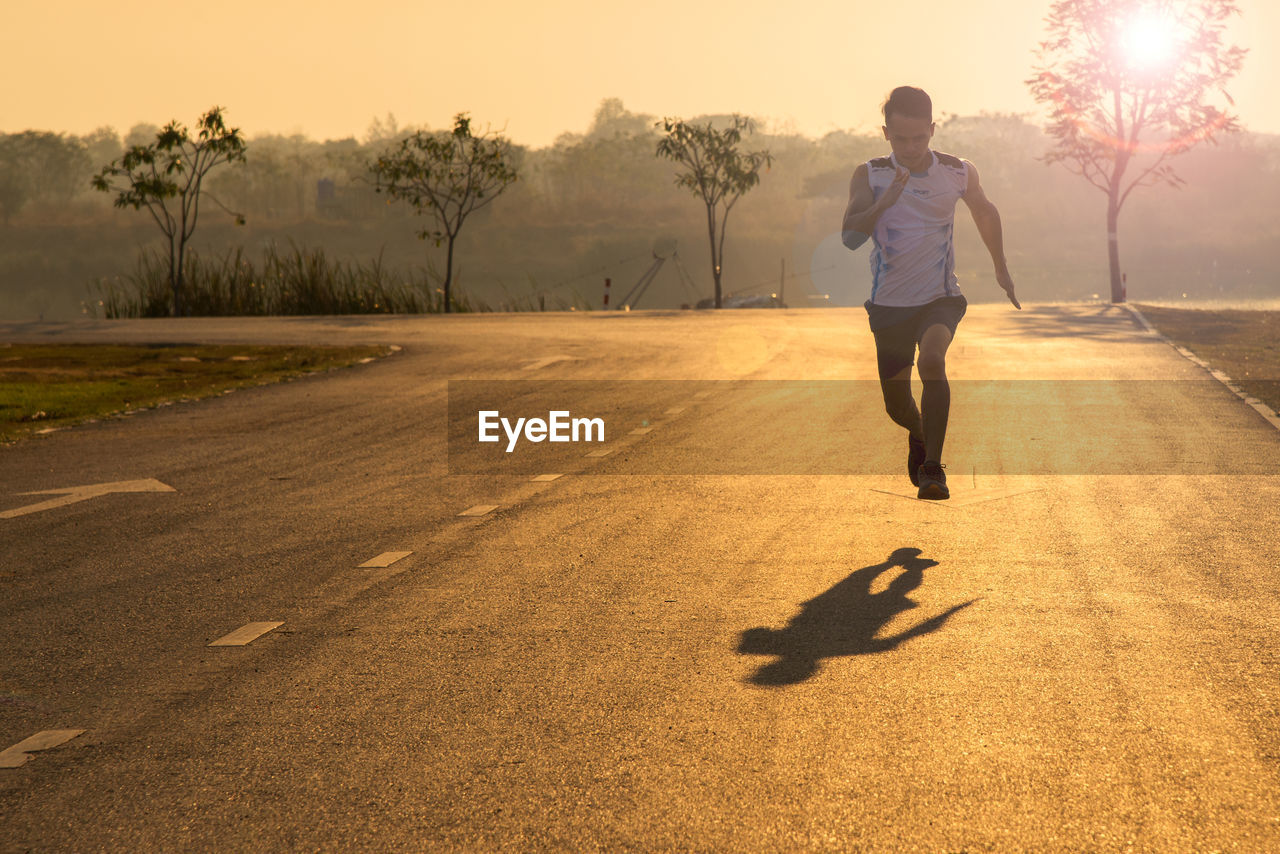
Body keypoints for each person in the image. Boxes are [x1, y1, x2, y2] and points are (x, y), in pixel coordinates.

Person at [842, 85, 1019, 500]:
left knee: (934, 360)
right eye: (900, 139)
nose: (910, 147)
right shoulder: (869, 173)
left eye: (919, 138)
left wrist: (1001, 266)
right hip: (889, 306)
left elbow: (984, 210)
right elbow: (851, 237)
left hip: (940, 298)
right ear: (885, 133)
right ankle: (919, 432)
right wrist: (884, 202)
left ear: (933, 129)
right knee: (897, 406)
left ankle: (933, 469)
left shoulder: (957, 170)